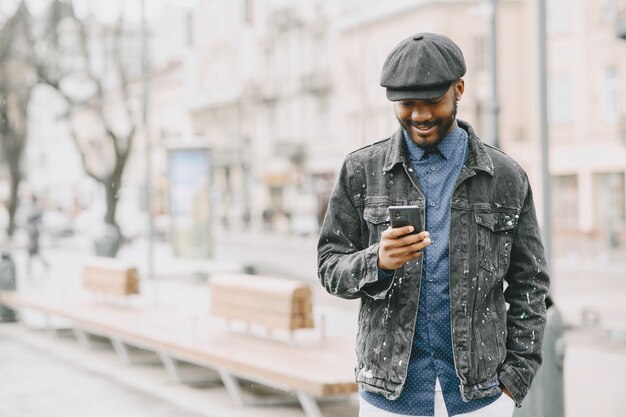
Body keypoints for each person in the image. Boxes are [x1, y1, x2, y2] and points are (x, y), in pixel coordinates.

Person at [317, 33, 550, 417]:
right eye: (407, 104)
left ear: (459, 89)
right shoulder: (361, 171)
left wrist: (514, 382)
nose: (420, 116)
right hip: (387, 399)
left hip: (482, 399)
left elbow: (531, 285)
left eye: (433, 102)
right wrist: (377, 260)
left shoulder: (506, 176)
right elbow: (329, 267)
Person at [26, 195, 49, 275]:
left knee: (34, 252)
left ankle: (43, 264)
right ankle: (29, 267)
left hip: (34, 235)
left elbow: (32, 218)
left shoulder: (35, 209)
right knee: (33, 253)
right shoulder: (35, 209)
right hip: (33, 235)